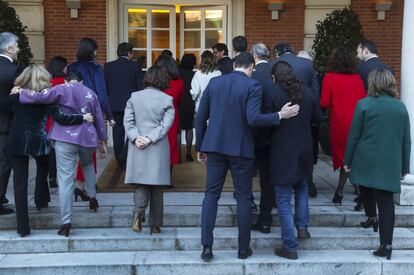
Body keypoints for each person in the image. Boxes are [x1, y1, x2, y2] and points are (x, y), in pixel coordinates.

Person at [196, 52, 300, 261]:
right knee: (243, 197)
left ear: (234, 64)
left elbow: (201, 117)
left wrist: (200, 145)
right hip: (241, 149)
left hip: (214, 147)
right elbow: (253, 119)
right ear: (251, 66)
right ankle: (243, 249)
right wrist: (280, 115)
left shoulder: (215, 83)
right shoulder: (253, 86)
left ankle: (207, 247)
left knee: (210, 197)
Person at [18, 71, 108, 237]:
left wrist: (21, 92)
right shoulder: (91, 93)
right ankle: (93, 197)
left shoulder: (61, 88)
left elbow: (39, 97)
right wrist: (103, 140)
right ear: (82, 81)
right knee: (87, 165)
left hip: (64, 137)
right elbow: (99, 119)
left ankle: (66, 222)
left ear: (68, 80)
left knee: (66, 178)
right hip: (87, 137)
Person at [5, 64, 91, 237]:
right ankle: (41, 199)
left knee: (19, 184)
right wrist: (82, 117)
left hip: (17, 140)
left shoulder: (15, 97)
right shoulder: (47, 98)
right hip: (39, 140)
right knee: (43, 169)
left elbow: (4, 109)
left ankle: (23, 228)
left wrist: (13, 94)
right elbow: (61, 118)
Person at [344, 68, 411, 260]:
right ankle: (386, 244)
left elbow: (354, 135)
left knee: (365, 185)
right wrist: (405, 167)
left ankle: (371, 217)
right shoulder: (400, 107)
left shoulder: (364, 105)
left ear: (372, 83)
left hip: (365, 158)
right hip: (390, 160)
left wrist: (347, 160)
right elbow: (407, 140)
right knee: (386, 200)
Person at [265, 61, 323, 260]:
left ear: (275, 76)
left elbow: (266, 124)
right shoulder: (307, 91)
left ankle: (290, 245)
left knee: (282, 196)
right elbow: (318, 118)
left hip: (282, 150)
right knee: (302, 188)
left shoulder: (272, 92)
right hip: (304, 148)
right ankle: (302, 227)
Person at [124, 65, 175, 234]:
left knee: (140, 184)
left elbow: (128, 121)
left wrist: (136, 137)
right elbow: (165, 125)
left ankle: (138, 214)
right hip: (157, 146)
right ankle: (155, 224)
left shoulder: (134, 97)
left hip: (137, 146)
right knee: (157, 186)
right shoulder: (167, 100)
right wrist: (150, 138)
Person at [68, 37, 113, 200]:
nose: (96, 52)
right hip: (90, 111)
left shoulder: (71, 67)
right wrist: (107, 114)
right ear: (91, 51)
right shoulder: (96, 68)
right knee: (89, 150)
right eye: (95, 49)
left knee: (75, 150)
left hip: (71, 111)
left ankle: (79, 186)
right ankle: (88, 185)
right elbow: (101, 94)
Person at [273, 42, 320, 197]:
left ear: (278, 53)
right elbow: (315, 90)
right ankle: (309, 182)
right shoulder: (307, 64)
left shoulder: (274, 64)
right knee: (305, 150)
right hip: (306, 112)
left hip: (281, 114)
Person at [320, 47, 366, 207]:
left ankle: (359, 196)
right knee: (350, 159)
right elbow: (363, 101)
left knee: (345, 159)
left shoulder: (329, 78)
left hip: (340, 122)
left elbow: (324, 102)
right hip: (357, 122)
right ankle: (339, 192)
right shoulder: (357, 79)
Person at [104, 42, 143, 168]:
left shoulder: (108, 66)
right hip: (131, 103)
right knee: (133, 129)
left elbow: (105, 86)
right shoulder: (135, 66)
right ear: (129, 53)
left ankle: (119, 158)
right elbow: (140, 86)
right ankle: (125, 153)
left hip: (114, 104)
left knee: (117, 131)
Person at [250, 43, 275, 234]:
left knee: (244, 175)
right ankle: (265, 217)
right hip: (273, 132)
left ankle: (249, 206)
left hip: (250, 132)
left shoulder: (252, 75)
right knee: (267, 179)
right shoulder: (276, 73)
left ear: (254, 55)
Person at [0, 32, 20, 215]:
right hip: (6, 123)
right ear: (9, 49)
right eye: (16, 46)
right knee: (5, 162)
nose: (18, 49)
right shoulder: (13, 70)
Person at [155, 55, 183, 170]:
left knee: (155, 143)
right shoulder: (179, 83)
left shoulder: (155, 81)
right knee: (170, 145)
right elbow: (180, 100)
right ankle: (168, 178)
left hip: (154, 114)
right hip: (172, 114)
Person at [46, 55, 69, 188]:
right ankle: (58, 177)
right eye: (65, 65)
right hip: (60, 118)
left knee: (51, 151)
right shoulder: (62, 82)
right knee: (61, 151)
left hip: (48, 119)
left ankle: (51, 176)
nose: (67, 68)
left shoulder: (48, 81)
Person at [178, 53, 197, 161]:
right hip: (189, 103)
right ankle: (189, 153)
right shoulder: (193, 74)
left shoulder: (177, 73)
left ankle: (178, 155)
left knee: (178, 130)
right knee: (189, 128)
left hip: (178, 102)